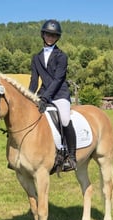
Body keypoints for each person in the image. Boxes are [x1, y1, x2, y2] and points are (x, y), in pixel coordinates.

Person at [28, 19, 77, 172]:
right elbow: (34, 80)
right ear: (43, 35)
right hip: (43, 94)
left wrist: (45, 98)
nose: (50, 37)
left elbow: (58, 79)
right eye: (48, 34)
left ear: (57, 37)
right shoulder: (36, 58)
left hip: (60, 94)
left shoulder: (62, 56)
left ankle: (71, 156)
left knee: (64, 118)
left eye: (53, 35)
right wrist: (29, 96)